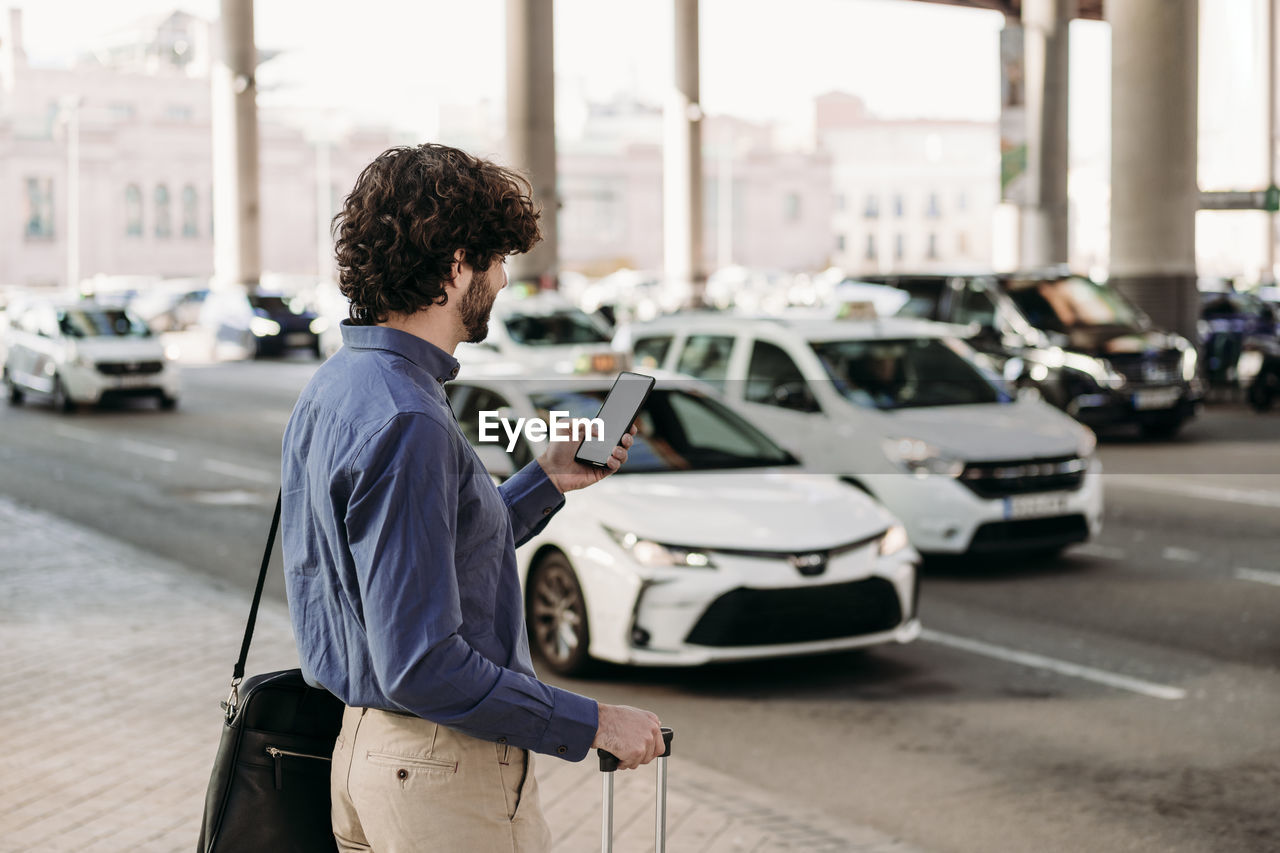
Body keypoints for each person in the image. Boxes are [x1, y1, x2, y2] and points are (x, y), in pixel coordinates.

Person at [280, 144, 666, 852]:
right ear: (458, 265)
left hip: (367, 755)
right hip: (441, 773)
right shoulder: (409, 417)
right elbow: (421, 662)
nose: (504, 276)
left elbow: (420, 560)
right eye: (496, 259)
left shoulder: (340, 386)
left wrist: (543, 480)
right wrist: (593, 722)